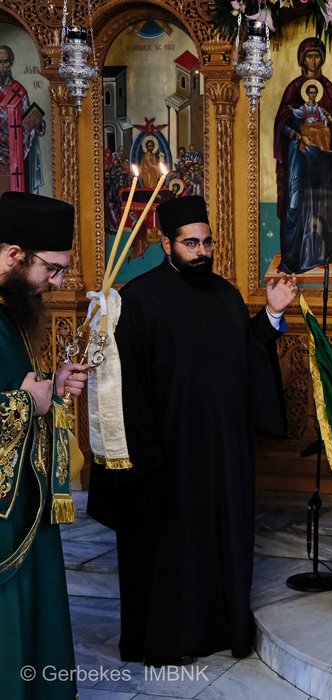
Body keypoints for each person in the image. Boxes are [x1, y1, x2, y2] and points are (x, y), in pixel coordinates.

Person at [87, 195, 297, 666]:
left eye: (207, 243)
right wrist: (143, 457)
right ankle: (168, 640)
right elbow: (121, 387)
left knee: (219, 541)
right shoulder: (138, 300)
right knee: (169, 551)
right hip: (166, 456)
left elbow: (244, 355)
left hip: (221, 454)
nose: (202, 252)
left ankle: (222, 630)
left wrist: (271, 314)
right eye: (191, 244)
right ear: (167, 244)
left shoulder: (225, 294)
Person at [0, 192, 87, 699]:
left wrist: (51, 388)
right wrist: (24, 403)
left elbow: (18, 382)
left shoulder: (13, 305)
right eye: (51, 270)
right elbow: (15, 396)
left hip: (24, 503)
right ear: (15, 254)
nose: (56, 283)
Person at [274, 37, 332, 274]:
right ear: (302, 59)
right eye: (309, 56)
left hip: (322, 160)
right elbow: (282, 122)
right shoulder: (294, 88)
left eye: (317, 56)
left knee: (321, 204)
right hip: (298, 157)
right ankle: (293, 259)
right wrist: (298, 133)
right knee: (295, 203)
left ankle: (320, 255)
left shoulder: (328, 89)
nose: (313, 61)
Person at [0, 46, 44, 193]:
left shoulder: (19, 91)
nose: (2, 66)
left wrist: (37, 123)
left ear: (11, 63)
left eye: (6, 62)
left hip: (15, 151)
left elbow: (27, 124)